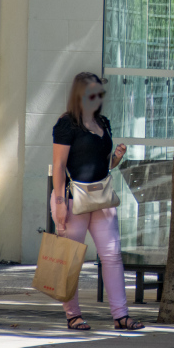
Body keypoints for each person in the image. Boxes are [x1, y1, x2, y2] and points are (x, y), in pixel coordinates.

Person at [51, 72, 143, 331]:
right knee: (71, 259)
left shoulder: (103, 122)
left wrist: (116, 158)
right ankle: (73, 315)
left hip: (101, 198)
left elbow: (103, 165)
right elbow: (59, 165)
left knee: (112, 255)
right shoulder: (67, 124)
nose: (97, 97)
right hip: (72, 199)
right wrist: (59, 202)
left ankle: (121, 316)